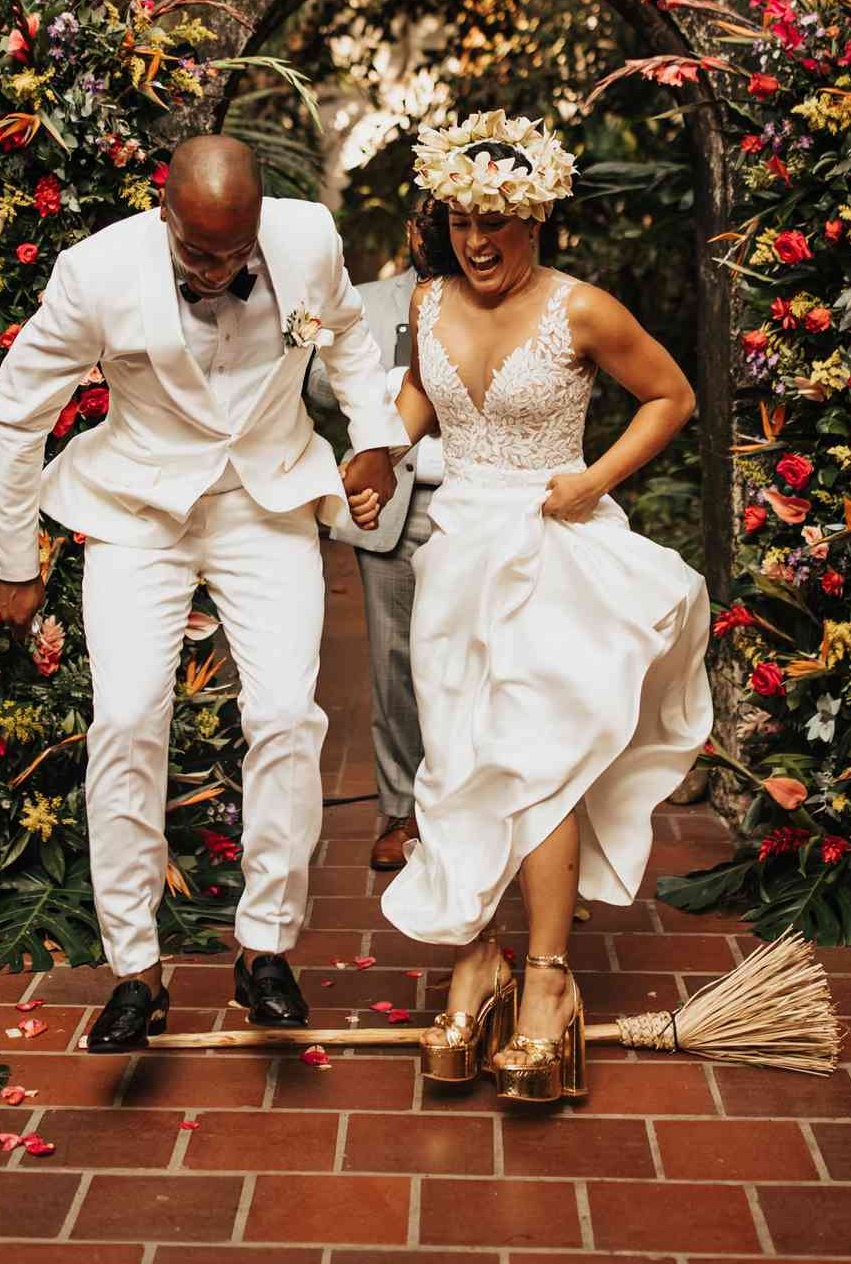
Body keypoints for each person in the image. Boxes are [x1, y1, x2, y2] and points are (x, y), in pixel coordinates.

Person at [0, 136, 407, 1052]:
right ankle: (135, 968)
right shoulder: (94, 274)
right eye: (200, 252)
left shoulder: (307, 238)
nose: (221, 269)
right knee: (128, 718)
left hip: (267, 497)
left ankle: (265, 950)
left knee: (289, 715)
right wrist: (10, 555)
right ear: (163, 210)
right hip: (141, 509)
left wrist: (374, 435)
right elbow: (17, 409)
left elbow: (351, 341)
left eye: (236, 251)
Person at [351, 111, 714, 1103]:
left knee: (542, 758)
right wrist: (379, 453)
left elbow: (672, 398)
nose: (477, 242)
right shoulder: (427, 303)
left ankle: (548, 978)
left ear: (539, 219)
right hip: (459, 553)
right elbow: (424, 401)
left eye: (497, 225)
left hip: (557, 543)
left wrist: (594, 478)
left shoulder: (582, 310)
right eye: (463, 221)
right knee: (460, 756)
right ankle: (478, 956)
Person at [305, 198, 439, 872]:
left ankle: (479, 811)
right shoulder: (365, 300)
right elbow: (321, 389)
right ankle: (400, 810)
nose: (440, 236)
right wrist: (378, 384)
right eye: (429, 223)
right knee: (396, 668)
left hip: (488, 498)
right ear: (413, 229)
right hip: (397, 501)